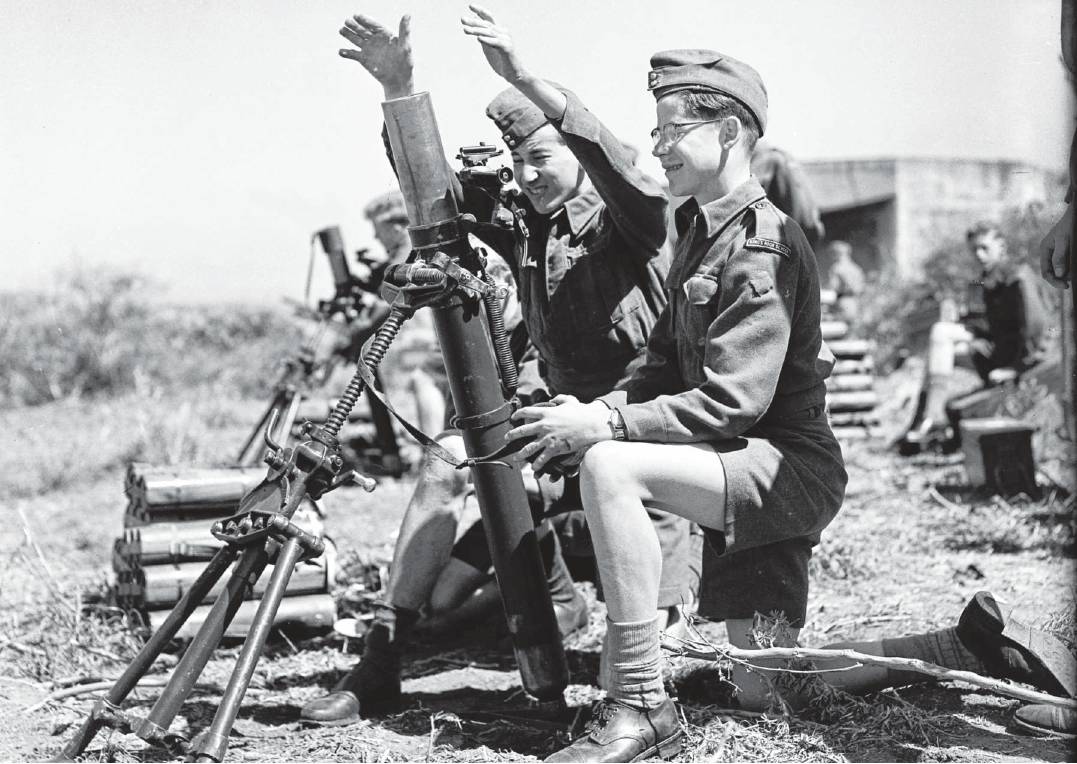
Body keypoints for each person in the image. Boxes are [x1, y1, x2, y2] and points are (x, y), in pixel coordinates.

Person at [505, 51, 1076, 763]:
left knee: (610, 468)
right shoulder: (698, 230)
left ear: (728, 133)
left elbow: (732, 401)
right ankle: (959, 646)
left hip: (782, 470)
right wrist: (593, 408)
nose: (656, 149)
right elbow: (658, 367)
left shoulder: (760, 242)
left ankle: (639, 703)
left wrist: (606, 425)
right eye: (652, 134)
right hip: (739, 466)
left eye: (669, 130)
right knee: (766, 689)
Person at [299, 8, 698, 726]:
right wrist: (399, 87)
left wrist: (523, 79)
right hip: (551, 426)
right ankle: (383, 659)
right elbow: (431, 201)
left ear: (572, 153)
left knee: (645, 669)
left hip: (640, 428)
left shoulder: (632, 217)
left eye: (540, 158)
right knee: (445, 463)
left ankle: (633, 649)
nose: (526, 174)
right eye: (517, 162)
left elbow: (612, 161)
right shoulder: (526, 226)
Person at [898, 222, 1048, 454]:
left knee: (940, 335)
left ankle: (927, 418)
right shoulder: (992, 278)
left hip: (1016, 362)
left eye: (984, 248)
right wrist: (966, 324)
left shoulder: (1018, 278)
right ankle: (927, 416)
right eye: (974, 250)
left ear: (1002, 246)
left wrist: (1016, 368)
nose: (979, 255)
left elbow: (1036, 328)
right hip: (996, 352)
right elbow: (990, 323)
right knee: (939, 345)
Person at [825, 240, 866, 325]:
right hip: (857, 305)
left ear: (835, 254)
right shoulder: (856, 268)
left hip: (842, 306)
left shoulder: (837, 268)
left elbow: (832, 289)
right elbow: (862, 287)